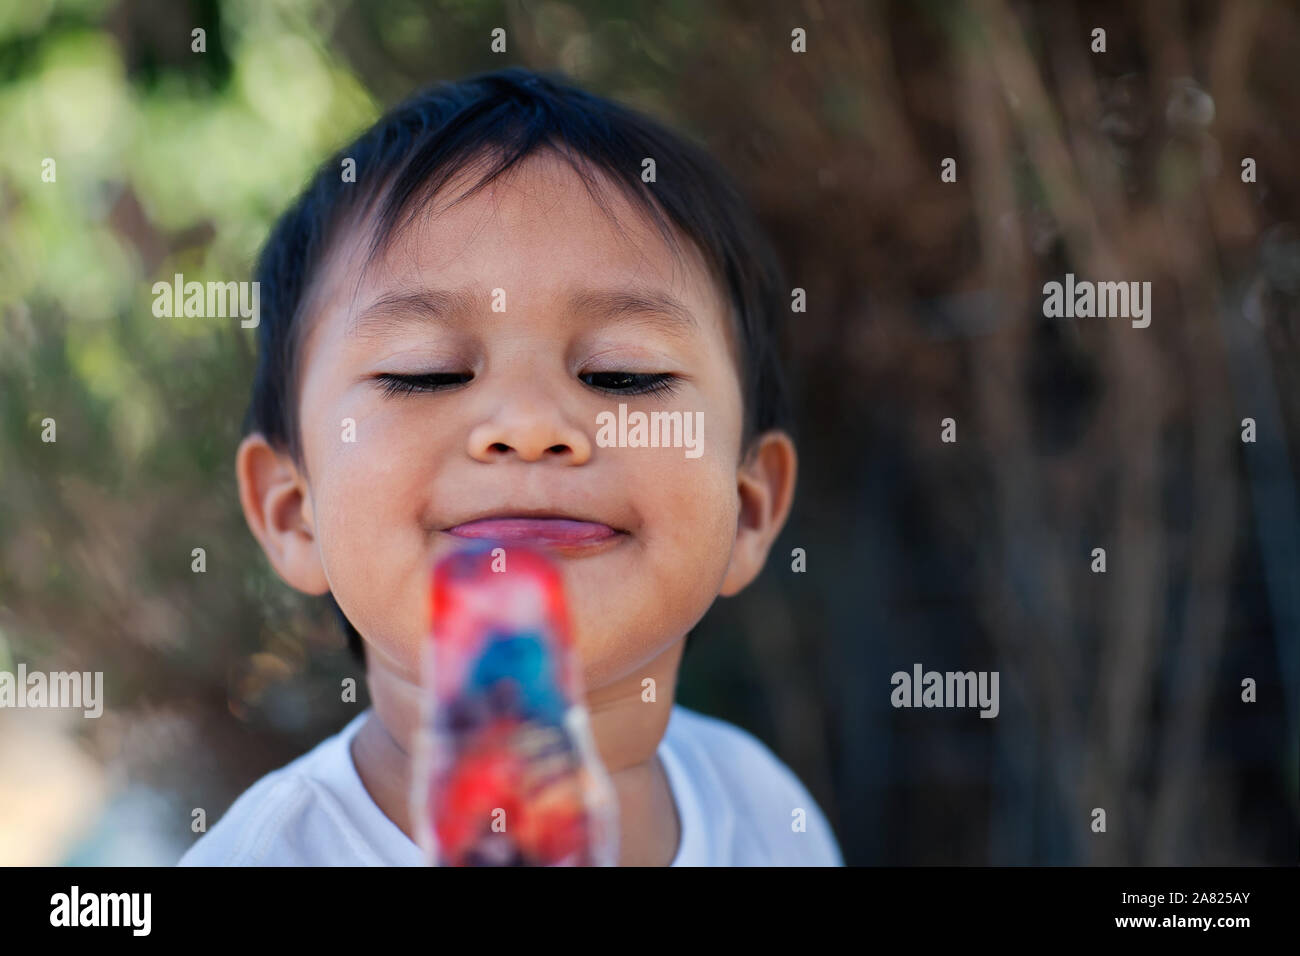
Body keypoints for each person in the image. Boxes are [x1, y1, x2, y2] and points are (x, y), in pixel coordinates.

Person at [178, 67, 842, 866]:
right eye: (425, 372)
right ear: (293, 511)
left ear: (752, 508)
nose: (529, 427)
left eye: (621, 373)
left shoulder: (765, 812)